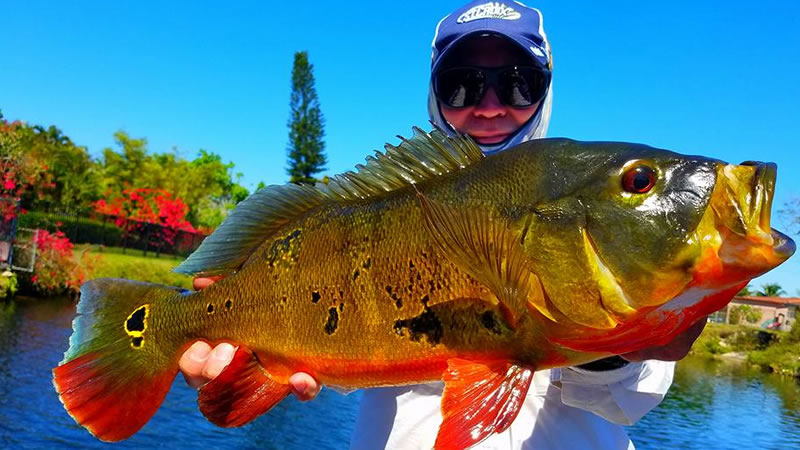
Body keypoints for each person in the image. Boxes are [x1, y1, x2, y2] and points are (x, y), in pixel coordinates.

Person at [180, 1, 706, 448]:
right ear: (434, 92)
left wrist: (607, 342)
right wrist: (234, 344)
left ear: (545, 90)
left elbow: (628, 402)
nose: (490, 107)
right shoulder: (391, 205)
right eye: (462, 86)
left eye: (517, 84)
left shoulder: (597, 203)